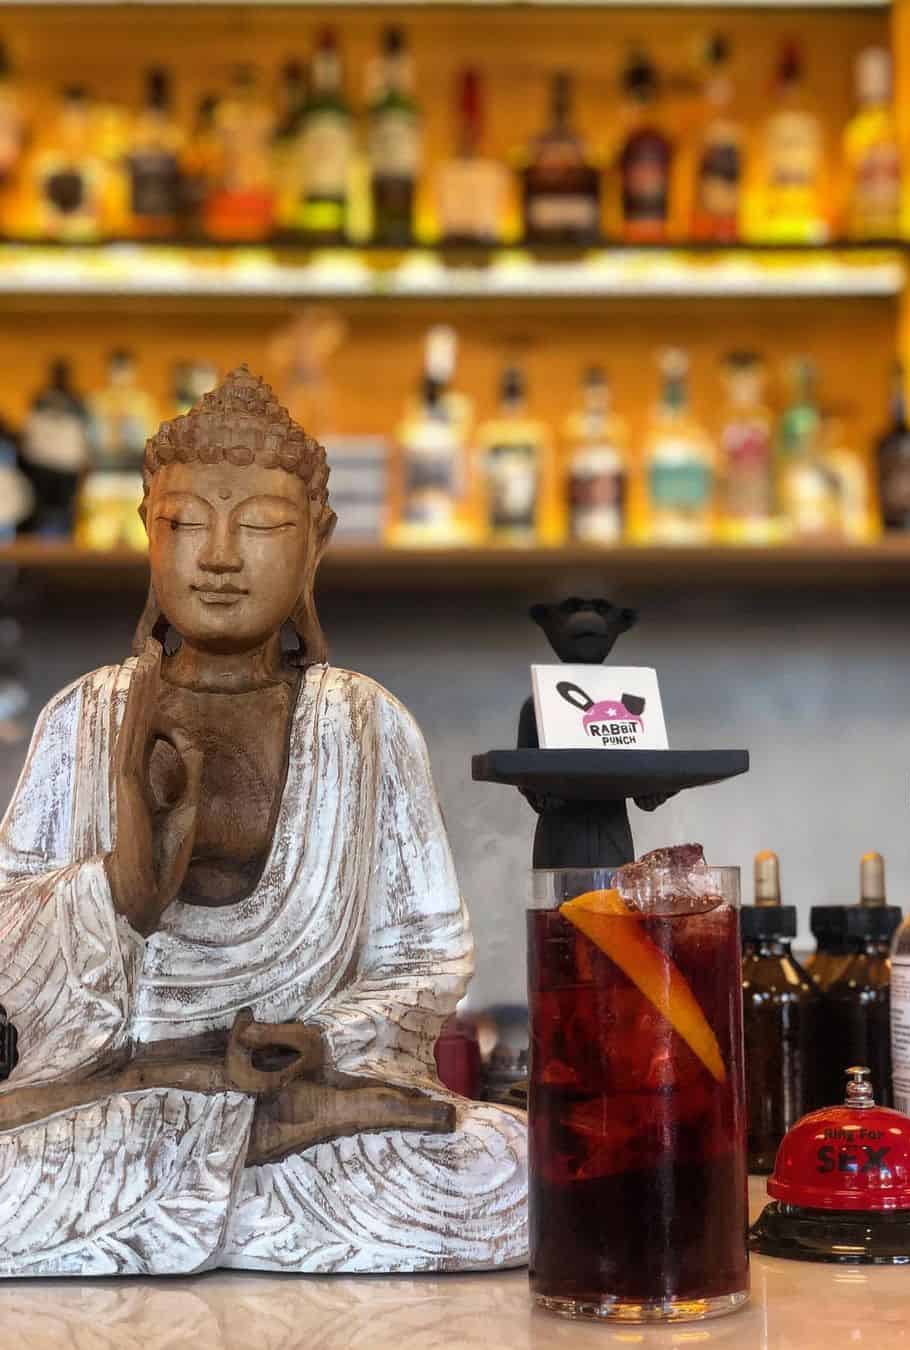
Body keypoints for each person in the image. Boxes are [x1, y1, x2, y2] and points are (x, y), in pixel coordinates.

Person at [0, 367, 526, 1277]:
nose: (219, 557)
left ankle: (208, 1186)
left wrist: (327, 1042)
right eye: (186, 524)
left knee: (508, 1170)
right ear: (147, 536)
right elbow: (12, 942)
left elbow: (426, 955)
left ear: (315, 545)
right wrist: (118, 890)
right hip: (120, 1097)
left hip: (304, 1102)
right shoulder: (82, 718)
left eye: (262, 528)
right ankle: (221, 1170)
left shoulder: (364, 722)